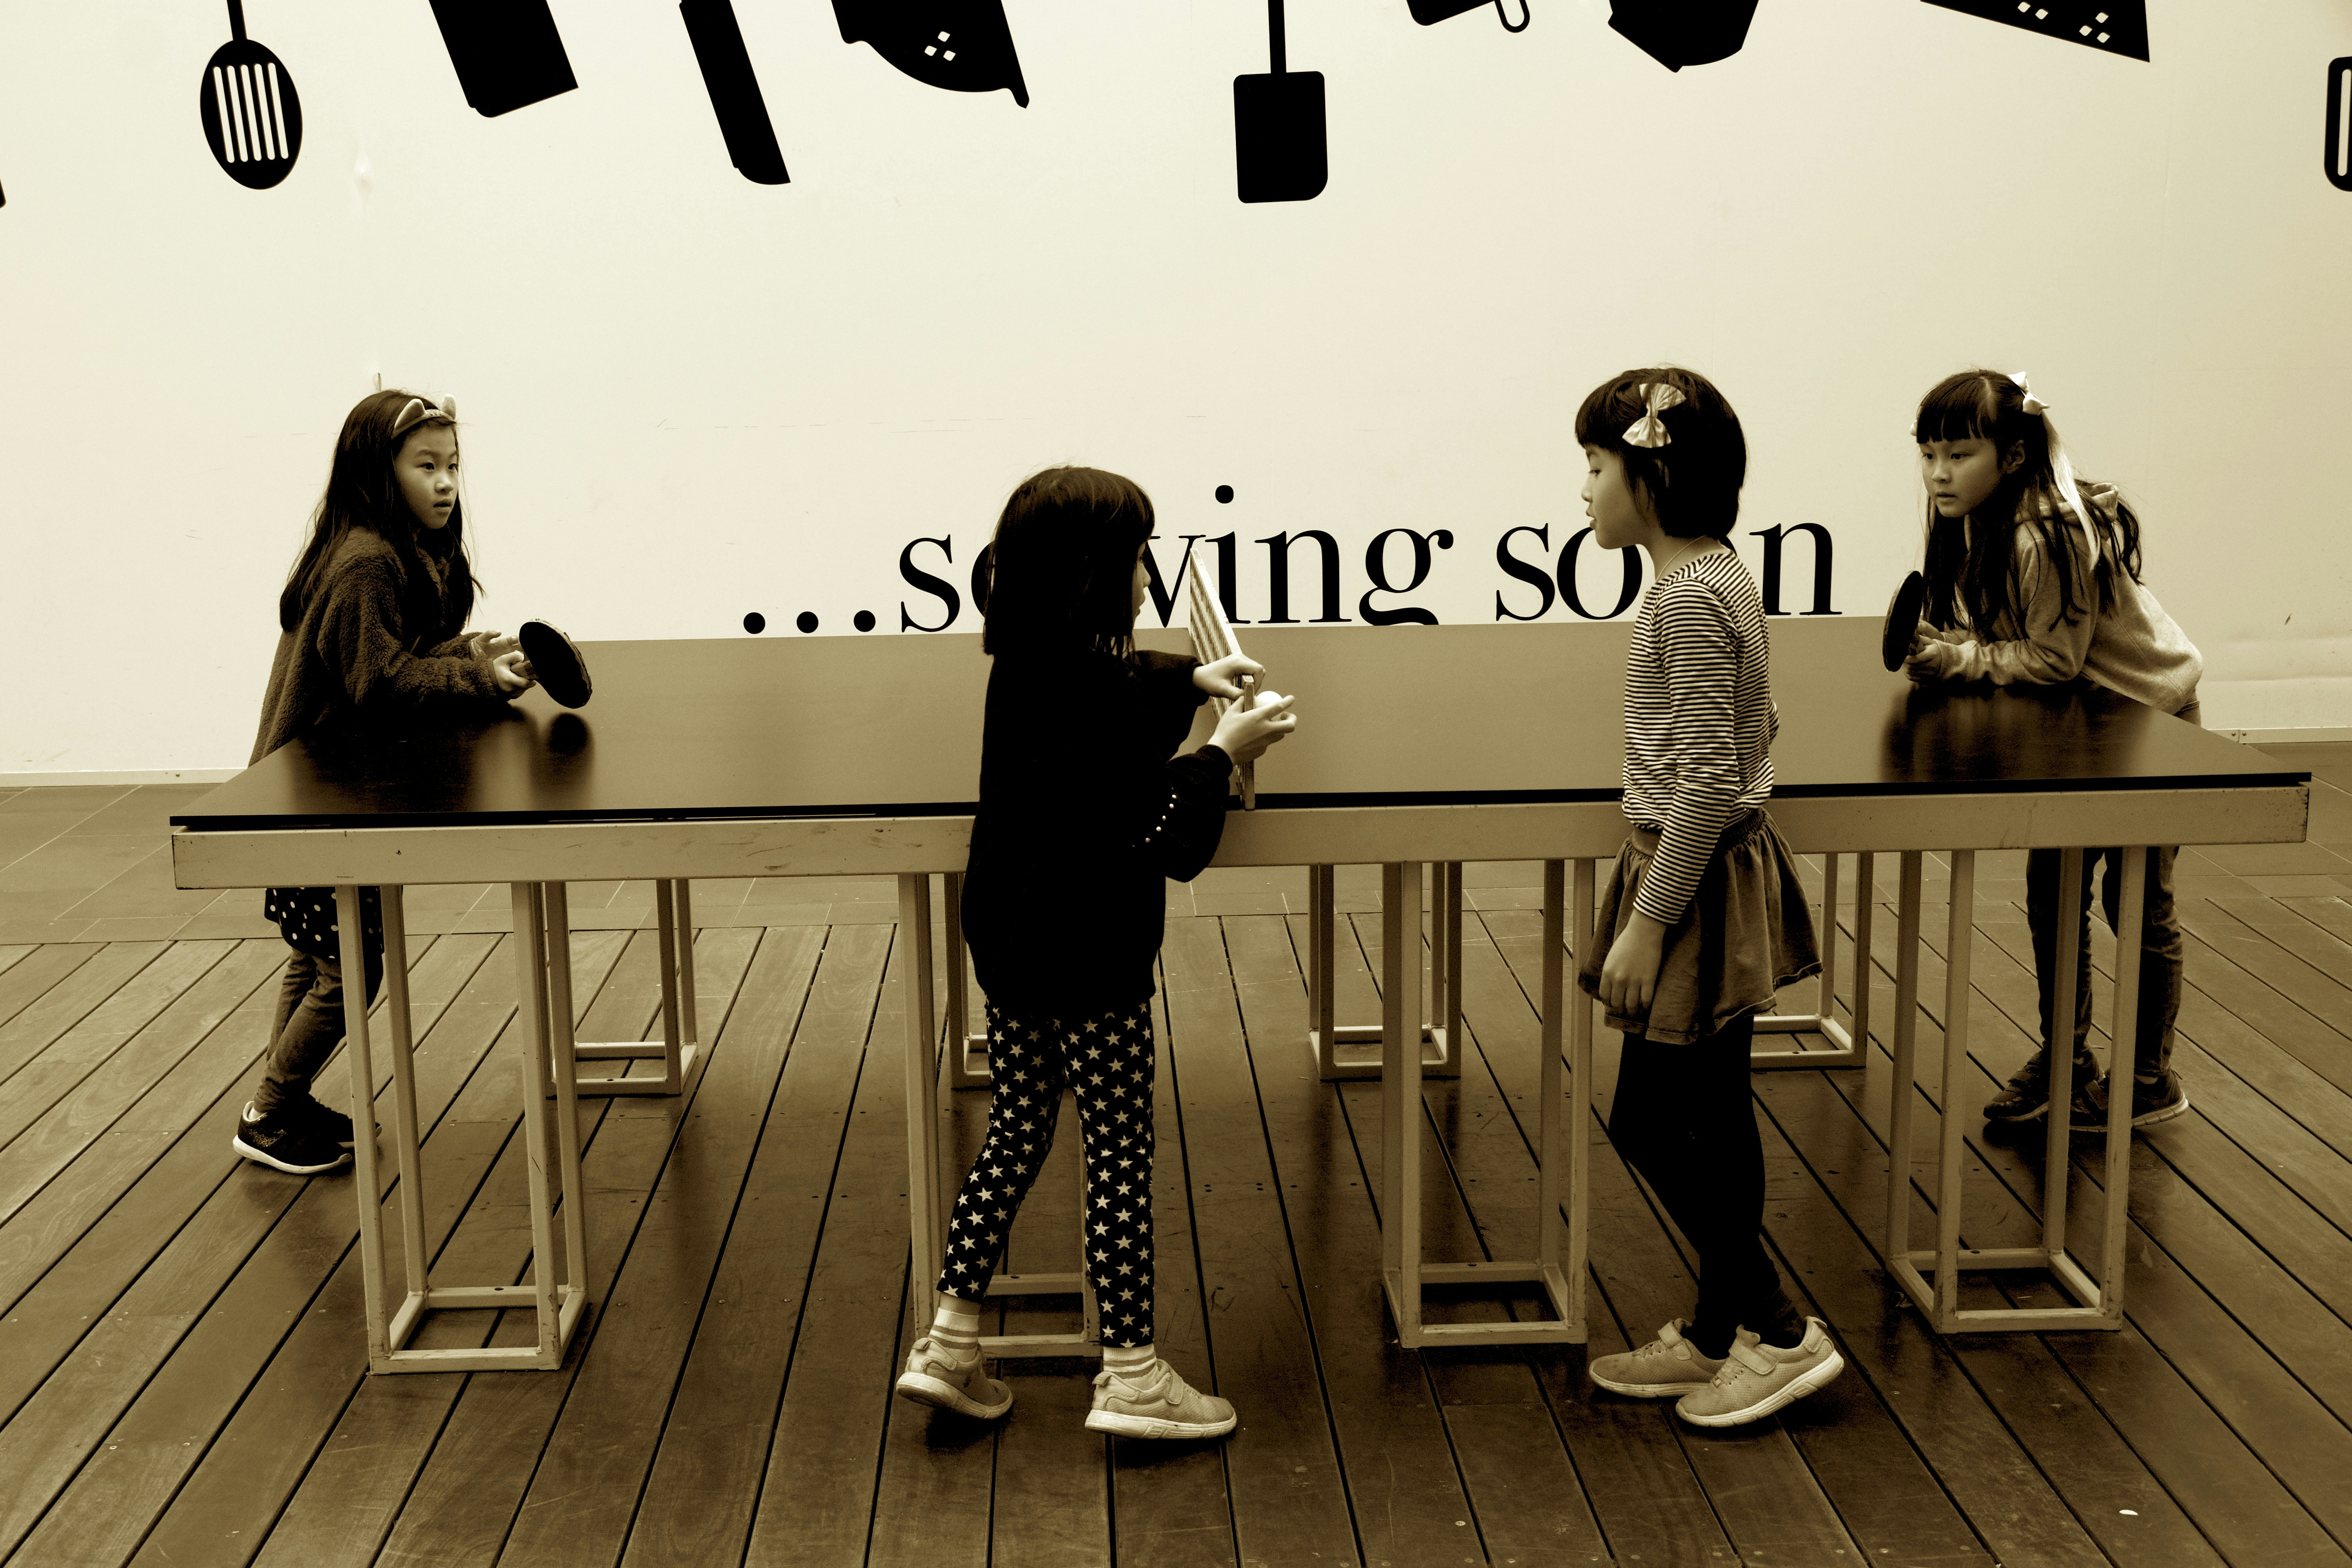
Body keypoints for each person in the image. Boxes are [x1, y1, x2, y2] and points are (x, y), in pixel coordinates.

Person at [892, 466, 1296, 1439]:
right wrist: (1221, 754)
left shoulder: (1034, 657)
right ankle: (1130, 1371)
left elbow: (1115, 692)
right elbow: (1157, 827)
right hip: (1092, 950)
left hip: (1015, 937)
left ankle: (948, 1340)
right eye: (1138, 556)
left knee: (1020, 1125)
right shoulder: (1084, 685)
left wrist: (1189, 683)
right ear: (1096, 573)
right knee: (1119, 1146)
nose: (1149, 572)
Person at [1573, 368, 1845, 1427]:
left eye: (1596, 468)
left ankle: (1775, 1332)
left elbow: (1709, 780)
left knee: (1658, 1119)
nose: (1583, 491)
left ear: (1654, 474)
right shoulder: (1719, 576)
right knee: (1700, 1112)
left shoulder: (1684, 602)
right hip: (1711, 868)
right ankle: (1719, 1329)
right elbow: (1760, 722)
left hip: (1689, 881)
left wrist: (1651, 919)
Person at [232, 390, 535, 1176]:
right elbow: (382, 683)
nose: (445, 483)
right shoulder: (366, 560)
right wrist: (473, 680)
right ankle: (270, 1106)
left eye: (454, 466)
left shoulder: (407, 548)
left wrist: (471, 652)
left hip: (334, 792)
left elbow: (407, 652)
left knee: (319, 954)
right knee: (351, 964)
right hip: (310, 800)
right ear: (380, 469)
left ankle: (280, 1099)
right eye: (425, 465)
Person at [1902, 369, 2203, 1132]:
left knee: (2136, 903)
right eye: (1929, 453)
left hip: (2150, 723)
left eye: (1958, 454)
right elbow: (2022, 640)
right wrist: (1958, 644)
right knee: (2054, 891)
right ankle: (2067, 1058)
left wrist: (1966, 661)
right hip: (2085, 726)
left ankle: (2148, 1077)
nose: (1939, 471)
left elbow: (2054, 660)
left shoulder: (2046, 534)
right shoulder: (1976, 522)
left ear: (2010, 456)